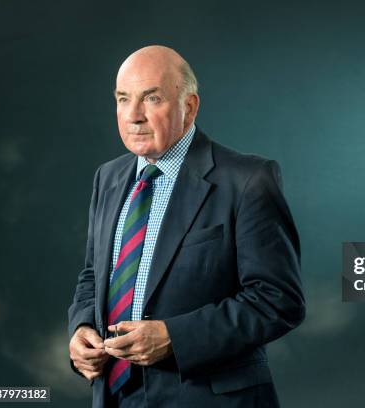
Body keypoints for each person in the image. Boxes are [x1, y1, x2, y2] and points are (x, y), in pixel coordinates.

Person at [67, 45, 305, 407]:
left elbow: (278, 300)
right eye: (122, 99)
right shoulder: (109, 177)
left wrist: (174, 337)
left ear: (189, 107)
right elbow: (93, 276)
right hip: (114, 395)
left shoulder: (247, 180)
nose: (133, 116)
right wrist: (82, 328)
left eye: (152, 98)